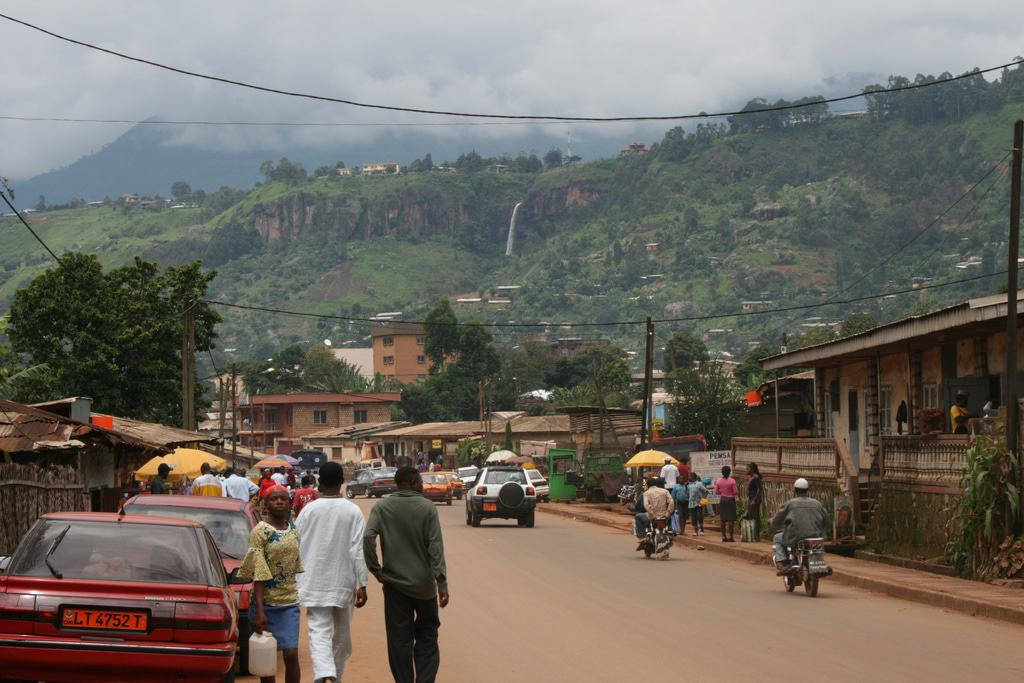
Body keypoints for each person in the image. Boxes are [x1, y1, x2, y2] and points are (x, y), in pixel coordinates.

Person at [363, 466, 448, 683]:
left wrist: (377, 571)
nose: (422, 485)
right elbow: (435, 549)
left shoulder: (382, 507)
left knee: (399, 640)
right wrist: (442, 585)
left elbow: (368, 538)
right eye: (419, 481)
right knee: (427, 636)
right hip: (425, 587)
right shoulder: (427, 507)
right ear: (411, 483)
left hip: (395, 587)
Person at [295, 463, 368, 683]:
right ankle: (331, 675)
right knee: (343, 635)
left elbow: (294, 544)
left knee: (318, 631)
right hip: (343, 581)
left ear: (319, 484)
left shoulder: (308, 511)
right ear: (342, 483)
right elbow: (359, 550)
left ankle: (327, 675)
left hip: (313, 581)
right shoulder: (353, 511)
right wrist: (362, 584)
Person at [239, 486, 303, 683]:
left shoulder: (293, 529)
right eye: (274, 499)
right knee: (267, 657)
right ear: (266, 504)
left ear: (290, 502)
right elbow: (259, 574)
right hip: (264, 605)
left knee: (291, 654)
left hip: (289, 604)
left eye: (283, 498)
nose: (279, 502)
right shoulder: (260, 532)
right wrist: (260, 611)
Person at [771, 478, 828, 573]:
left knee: (777, 538)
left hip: (796, 537)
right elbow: (826, 519)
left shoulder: (790, 503)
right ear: (807, 490)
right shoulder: (817, 503)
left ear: (795, 490)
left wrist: (772, 522)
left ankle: (783, 562)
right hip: (815, 537)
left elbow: (777, 519)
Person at [636, 477, 674, 549]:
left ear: (647, 485)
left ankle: (642, 537)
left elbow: (646, 505)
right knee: (669, 520)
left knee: (638, 516)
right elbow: (671, 502)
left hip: (652, 517)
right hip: (664, 516)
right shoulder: (665, 491)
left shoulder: (646, 493)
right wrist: (668, 512)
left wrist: (652, 514)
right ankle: (670, 532)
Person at [715, 465, 739, 542]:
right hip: (730, 500)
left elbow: (717, 492)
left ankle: (723, 536)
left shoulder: (718, 481)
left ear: (722, 472)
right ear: (729, 472)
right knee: (731, 519)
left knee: (723, 519)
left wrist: (723, 492)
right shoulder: (732, 481)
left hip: (723, 500)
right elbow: (735, 492)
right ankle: (731, 537)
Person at [745, 463, 764, 539]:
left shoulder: (756, 478)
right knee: (751, 516)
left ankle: (756, 535)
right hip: (751, 499)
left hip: (754, 500)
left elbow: (759, 490)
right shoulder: (752, 477)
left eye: (747, 469)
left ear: (752, 470)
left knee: (755, 517)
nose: (746, 471)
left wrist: (755, 500)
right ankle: (752, 534)